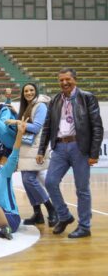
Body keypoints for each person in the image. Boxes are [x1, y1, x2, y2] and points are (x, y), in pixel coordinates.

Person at [37, 68, 104, 238]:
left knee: (82, 189)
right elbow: (47, 127)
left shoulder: (87, 97)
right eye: (61, 80)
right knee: (51, 182)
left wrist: (94, 153)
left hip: (79, 147)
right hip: (59, 147)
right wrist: (41, 149)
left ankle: (84, 226)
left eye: (68, 79)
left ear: (75, 79)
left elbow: (97, 126)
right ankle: (65, 216)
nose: (64, 83)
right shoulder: (55, 100)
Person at [5, 83, 57, 227]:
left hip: (35, 148)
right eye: (26, 91)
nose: (28, 93)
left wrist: (17, 121)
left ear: (36, 91)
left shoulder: (40, 106)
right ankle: (38, 214)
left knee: (29, 180)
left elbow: (36, 127)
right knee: (26, 182)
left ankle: (52, 209)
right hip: (27, 148)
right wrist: (17, 114)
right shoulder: (28, 106)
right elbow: (27, 122)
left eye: (31, 90)